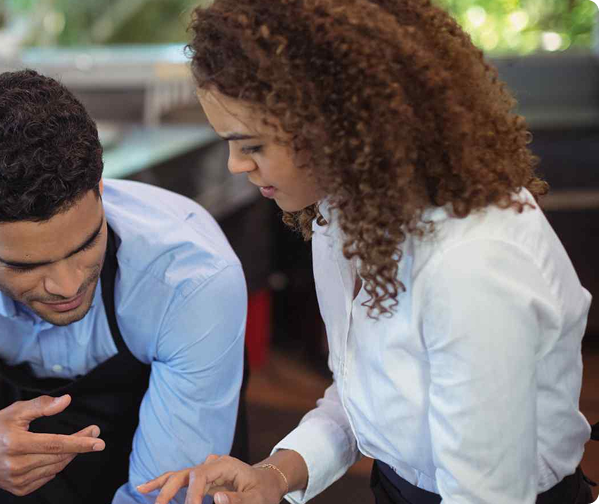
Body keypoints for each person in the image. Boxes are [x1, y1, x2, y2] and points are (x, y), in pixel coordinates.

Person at [137, 0, 596, 503]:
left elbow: (486, 495)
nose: (234, 166)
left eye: (253, 146)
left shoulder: (471, 265)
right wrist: (275, 475)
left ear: (339, 126)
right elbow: (366, 398)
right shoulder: (344, 215)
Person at [0, 70, 247, 504]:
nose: (67, 285)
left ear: (100, 188)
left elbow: (164, 498)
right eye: (27, 265)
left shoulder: (190, 278)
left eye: (85, 245)